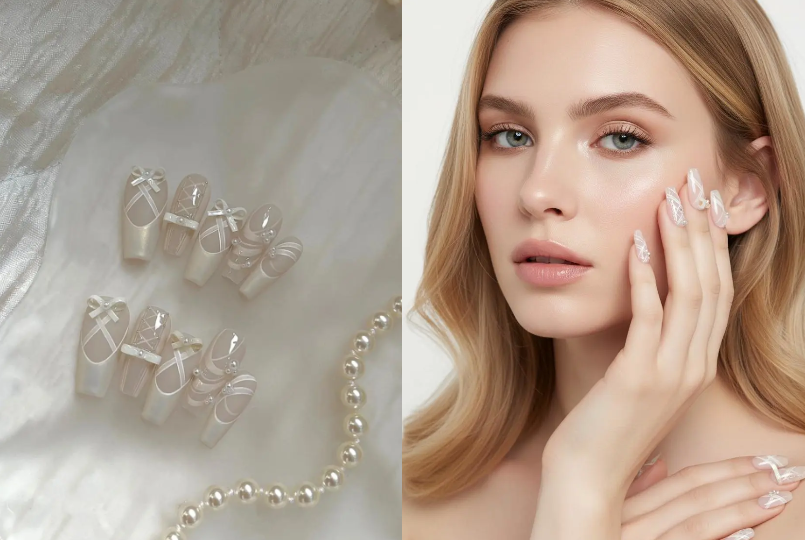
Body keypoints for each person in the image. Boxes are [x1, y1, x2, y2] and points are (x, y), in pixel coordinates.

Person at [402, 1, 805, 538]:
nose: (537, 191)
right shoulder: (406, 494)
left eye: (621, 137)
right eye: (510, 136)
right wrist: (580, 488)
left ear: (744, 187)